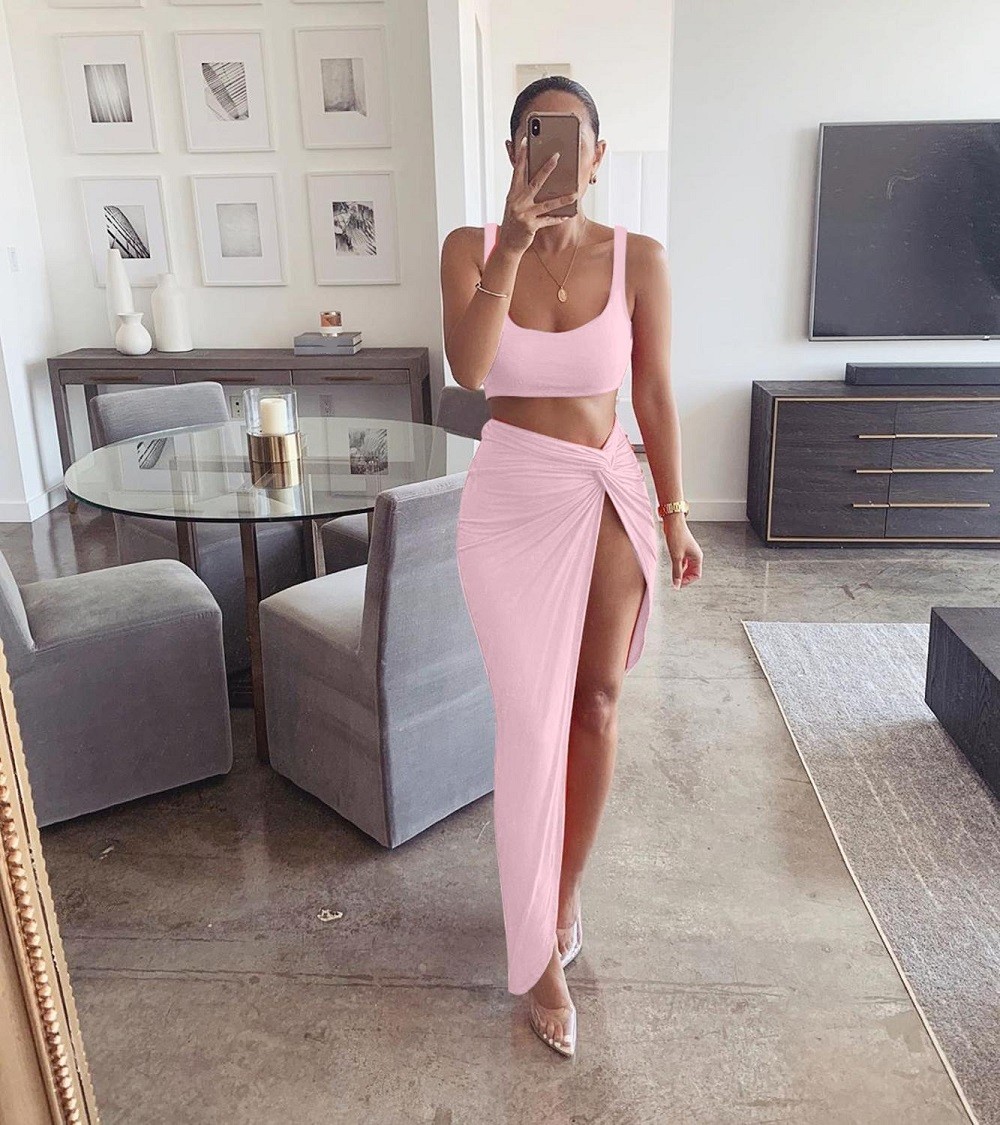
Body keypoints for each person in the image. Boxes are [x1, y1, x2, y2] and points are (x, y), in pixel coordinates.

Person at [440, 75, 703, 1058]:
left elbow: (655, 393)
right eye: (533, 135)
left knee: (594, 705)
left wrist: (676, 514)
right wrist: (510, 246)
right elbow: (470, 369)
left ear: (595, 155)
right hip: (509, 498)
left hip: (605, 493)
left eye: (571, 137)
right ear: (516, 151)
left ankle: (561, 898)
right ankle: (535, 960)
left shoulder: (640, 259)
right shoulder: (470, 248)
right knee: (528, 721)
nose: (553, 152)